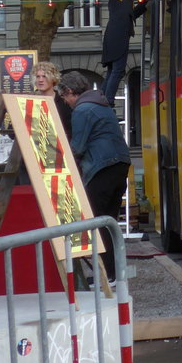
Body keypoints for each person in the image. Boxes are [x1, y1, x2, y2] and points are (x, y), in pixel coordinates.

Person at [59, 71, 131, 282]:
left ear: (71, 92)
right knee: (110, 222)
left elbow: (78, 147)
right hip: (120, 164)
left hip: (101, 168)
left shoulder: (82, 109)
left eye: (64, 97)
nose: (65, 102)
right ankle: (116, 273)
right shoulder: (100, 103)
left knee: (98, 223)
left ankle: (110, 275)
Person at [101, 0, 151, 106]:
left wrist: (145, 2)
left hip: (114, 37)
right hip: (117, 37)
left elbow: (133, 14)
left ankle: (102, 99)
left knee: (113, 70)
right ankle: (108, 101)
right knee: (117, 70)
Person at [34, 60, 73, 142]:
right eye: (38, 76)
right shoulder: (29, 101)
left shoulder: (64, 102)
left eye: (44, 76)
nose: (40, 80)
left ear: (53, 79)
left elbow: (70, 130)